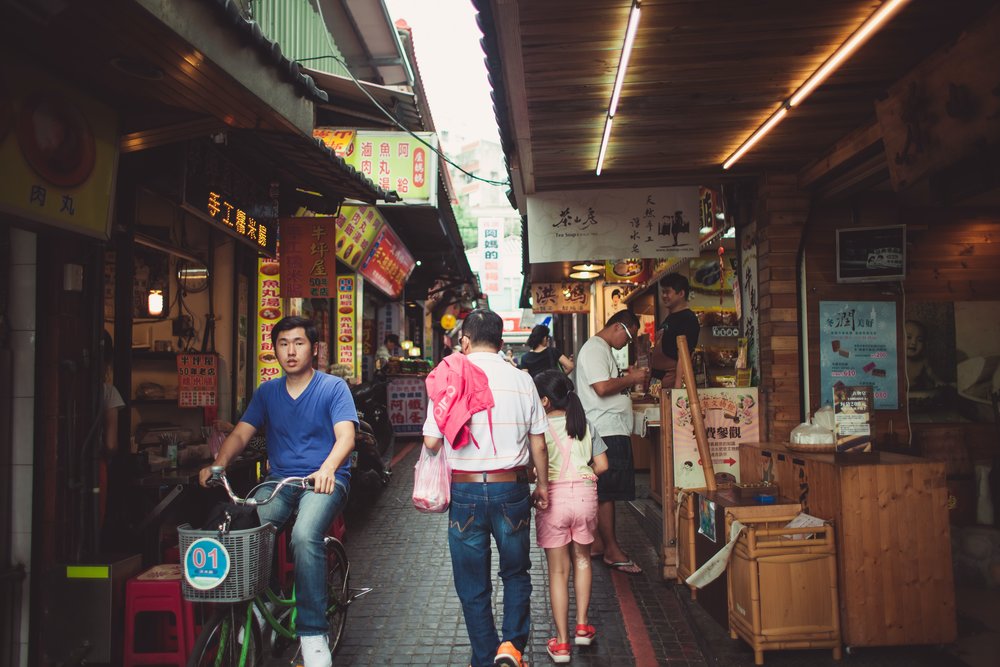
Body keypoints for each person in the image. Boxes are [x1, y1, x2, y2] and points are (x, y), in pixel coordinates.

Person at [199, 316, 356, 667]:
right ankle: (267, 600)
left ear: (313, 348)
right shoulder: (268, 392)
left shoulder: (333, 388)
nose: (291, 350)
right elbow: (240, 433)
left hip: (325, 480)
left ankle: (314, 634)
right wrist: (219, 463)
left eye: (298, 343)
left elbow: (346, 435)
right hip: (281, 482)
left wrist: (328, 468)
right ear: (275, 350)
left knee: (303, 536)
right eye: (283, 343)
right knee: (251, 528)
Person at [422, 309, 550, 667]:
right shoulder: (522, 380)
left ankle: (484, 655)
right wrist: (543, 484)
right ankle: (511, 647)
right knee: (516, 572)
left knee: (472, 582)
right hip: (512, 488)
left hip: (464, 492)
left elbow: (432, 443)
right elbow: (538, 443)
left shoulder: (451, 377)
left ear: (464, 340)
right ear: (499, 340)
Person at [532, 370, 608, 663]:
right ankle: (582, 627)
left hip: (552, 500)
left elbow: (532, 468)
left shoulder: (539, 429)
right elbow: (602, 464)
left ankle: (562, 644)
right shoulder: (584, 424)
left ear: (546, 401)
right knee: (583, 560)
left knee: (558, 572)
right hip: (586, 497)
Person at [575, 310, 649, 575]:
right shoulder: (596, 349)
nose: (628, 343)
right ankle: (612, 550)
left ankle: (597, 544)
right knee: (607, 493)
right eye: (629, 337)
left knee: (605, 492)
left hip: (608, 428)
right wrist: (632, 378)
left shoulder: (599, 348)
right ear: (619, 327)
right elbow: (602, 388)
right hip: (605, 429)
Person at [650, 273, 700, 388]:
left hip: (671, 379)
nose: (664, 295)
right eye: (662, 292)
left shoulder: (688, 319)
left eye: (667, 292)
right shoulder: (670, 317)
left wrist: (678, 388)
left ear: (681, 293)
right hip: (657, 379)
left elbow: (684, 355)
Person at [905, 319, 942, 391]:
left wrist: (937, 381)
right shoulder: (893, 359)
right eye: (909, 337)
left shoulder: (923, 360)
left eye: (920, 340)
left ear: (925, 344)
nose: (913, 342)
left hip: (916, 392)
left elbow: (931, 374)